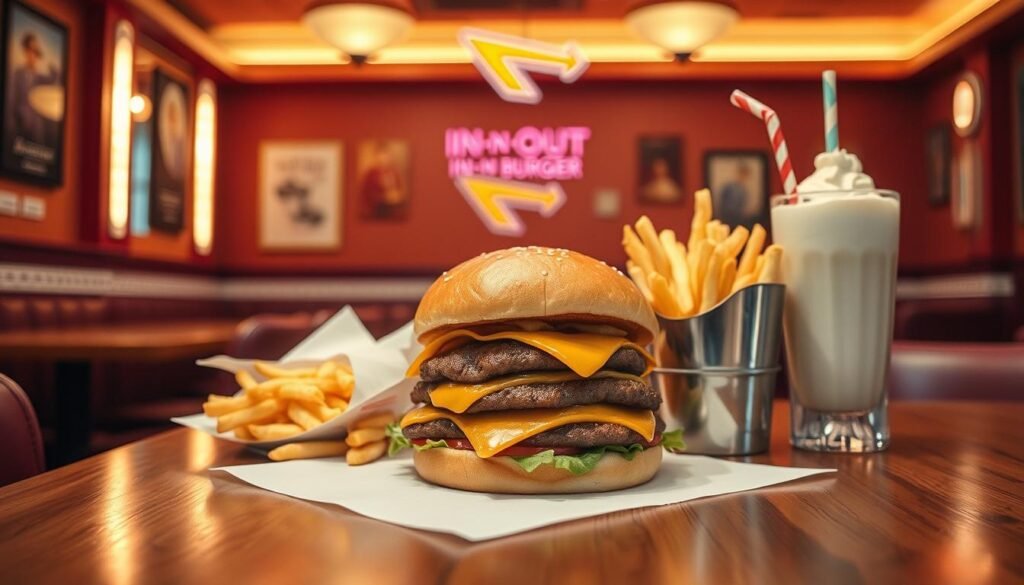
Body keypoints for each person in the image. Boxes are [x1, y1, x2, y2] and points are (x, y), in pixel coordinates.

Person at [8, 32, 59, 146]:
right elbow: (12, 100)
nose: (33, 55)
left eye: (36, 52)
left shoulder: (38, 77)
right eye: (30, 50)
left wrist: (45, 59)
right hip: (21, 123)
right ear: (25, 51)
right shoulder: (18, 73)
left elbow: (54, 77)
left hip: (36, 126)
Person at [360, 142, 406, 218]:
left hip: (393, 209)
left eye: (386, 155)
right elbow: (367, 194)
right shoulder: (371, 173)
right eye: (381, 155)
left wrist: (396, 195)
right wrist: (384, 197)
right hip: (377, 210)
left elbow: (399, 189)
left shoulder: (394, 172)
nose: (384, 158)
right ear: (377, 156)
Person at [717, 162, 752, 227]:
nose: (743, 177)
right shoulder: (728, 186)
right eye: (742, 174)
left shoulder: (744, 191)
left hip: (738, 218)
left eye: (745, 175)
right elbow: (722, 201)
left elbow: (743, 206)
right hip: (727, 216)